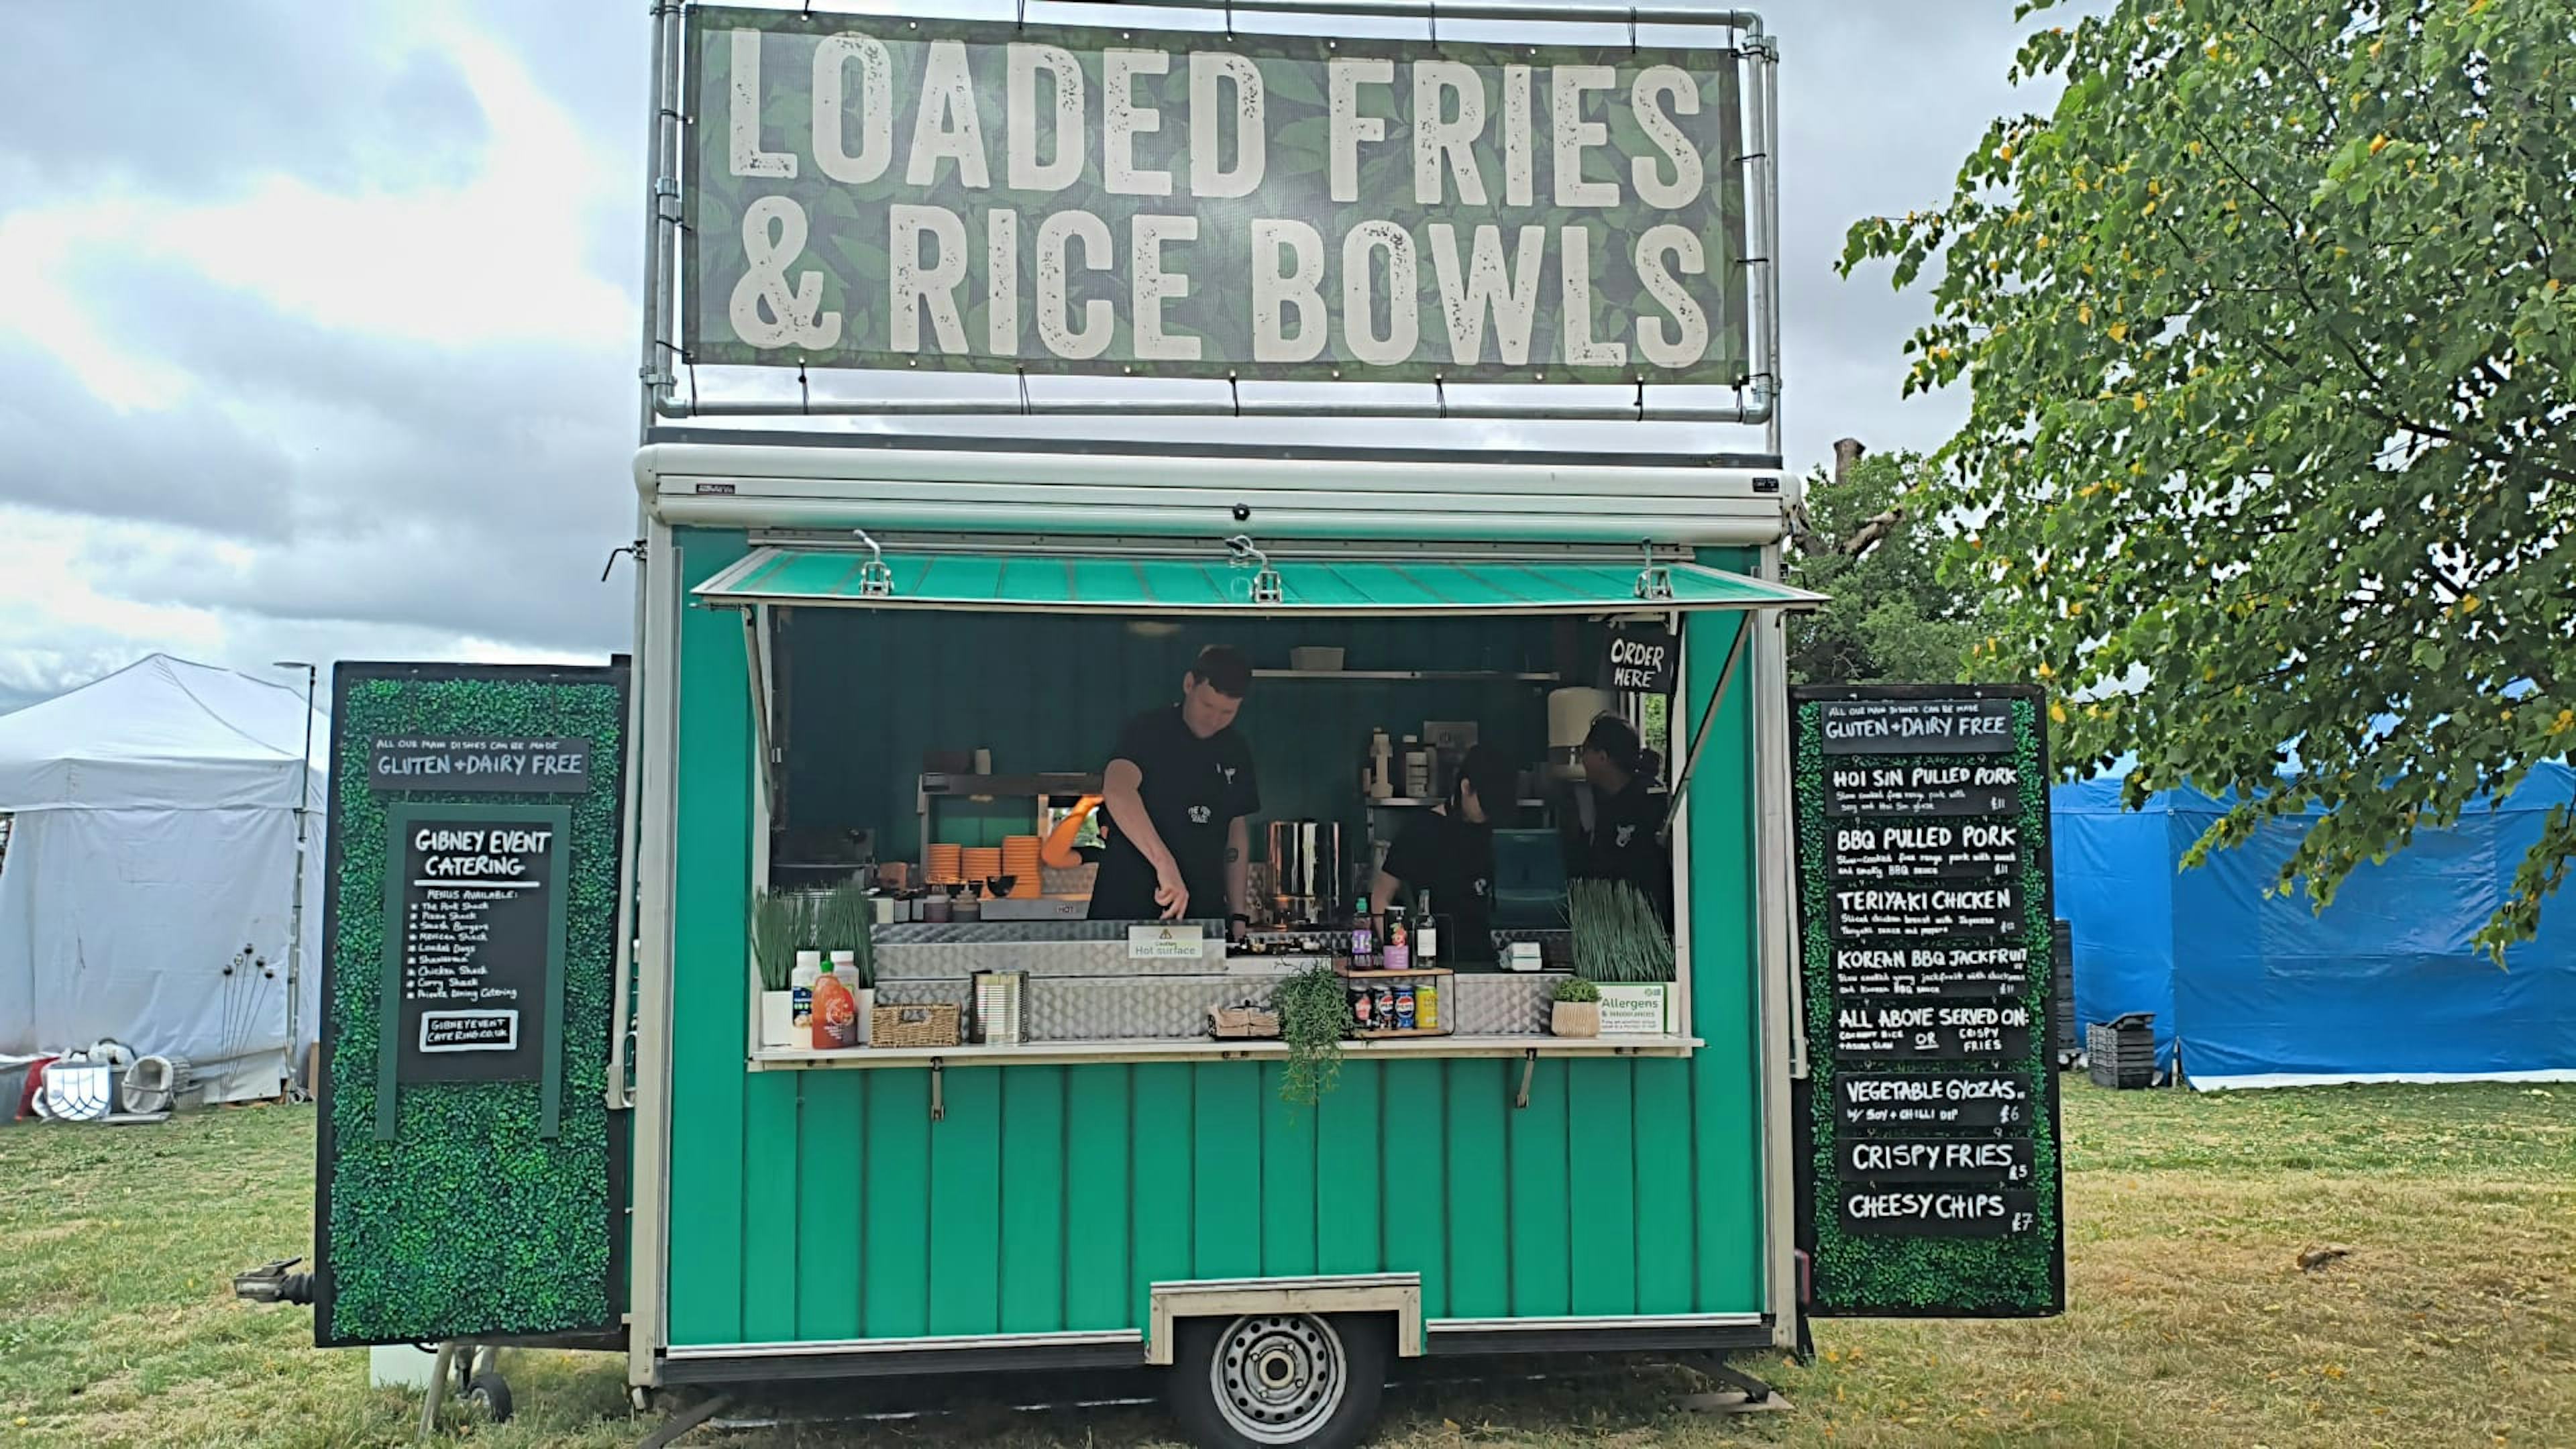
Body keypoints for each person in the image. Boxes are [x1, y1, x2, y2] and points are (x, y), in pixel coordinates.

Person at [1087, 646, 1261, 937]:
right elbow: (1117, 788)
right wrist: (1165, 865)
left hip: (1203, 913)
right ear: (1189, 684)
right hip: (1127, 908)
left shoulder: (1236, 749)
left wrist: (1239, 914)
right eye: (1208, 706)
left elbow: (1236, 832)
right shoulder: (1147, 731)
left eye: (1227, 712)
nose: (1214, 719)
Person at [1372, 745, 1518, 968]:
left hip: (1481, 962)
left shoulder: (1489, 830)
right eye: (1485, 806)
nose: (1488, 816)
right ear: (1466, 787)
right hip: (1431, 963)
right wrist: (1397, 955)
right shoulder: (1422, 830)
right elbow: (1381, 897)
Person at [1574, 714, 1670, 922]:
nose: (1582, 760)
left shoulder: (1651, 802)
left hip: (1648, 923)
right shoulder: (1601, 801)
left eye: (1585, 752)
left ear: (1603, 756)